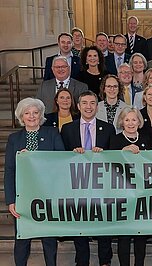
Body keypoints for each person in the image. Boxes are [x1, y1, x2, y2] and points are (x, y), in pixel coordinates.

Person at [5, 97, 64, 266]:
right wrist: (11, 200)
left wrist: (36, 158)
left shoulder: (52, 133)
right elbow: (9, 170)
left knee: (49, 238)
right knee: (22, 238)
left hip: (47, 194)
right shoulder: (14, 138)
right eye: (27, 113)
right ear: (21, 117)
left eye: (35, 113)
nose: (31, 116)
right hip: (22, 195)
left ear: (41, 115)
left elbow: (61, 161)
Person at [61, 90, 115, 266]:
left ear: (97, 106)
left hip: (102, 185)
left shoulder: (108, 128)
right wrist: (72, 154)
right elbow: (60, 158)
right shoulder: (67, 129)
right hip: (77, 185)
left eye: (92, 103)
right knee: (80, 224)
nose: (88, 107)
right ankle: (82, 260)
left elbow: (115, 158)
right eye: (84, 103)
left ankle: (105, 261)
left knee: (103, 225)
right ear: (78, 106)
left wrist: (104, 154)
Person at [110, 107, 152, 266]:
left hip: (142, 194)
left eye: (134, 119)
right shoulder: (115, 139)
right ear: (122, 122)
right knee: (124, 236)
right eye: (127, 120)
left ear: (139, 122)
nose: (130, 123)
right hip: (122, 195)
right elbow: (109, 165)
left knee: (141, 235)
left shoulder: (146, 137)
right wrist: (122, 152)